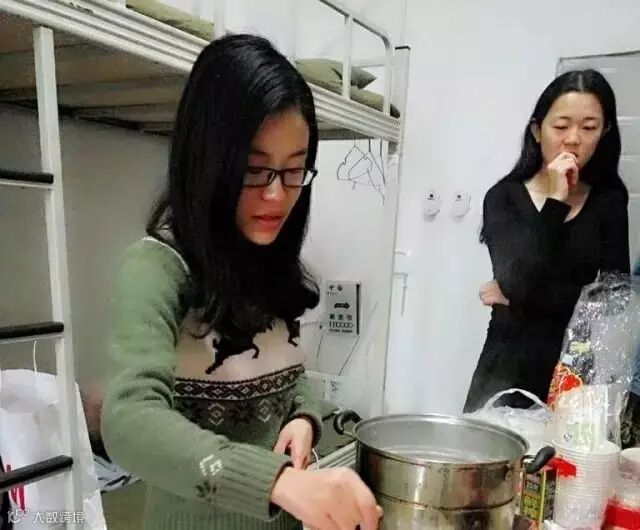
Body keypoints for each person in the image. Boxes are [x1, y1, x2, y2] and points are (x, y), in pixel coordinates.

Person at [101, 34, 382, 530]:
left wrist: (304, 418)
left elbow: (289, 374)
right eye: (254, 171)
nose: (277, 195)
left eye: (294, 171)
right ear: (208, 163)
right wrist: (276, 482)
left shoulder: (267, 260)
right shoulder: (156, 269)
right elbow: (129, 419)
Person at [464, 69, 630, 413]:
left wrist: (516, 299)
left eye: (589, 128)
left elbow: (614, 298)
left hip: (574, 369)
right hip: (506, 366)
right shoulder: (504, 197)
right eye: (561, 126)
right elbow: (521, 284)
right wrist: (556, 200)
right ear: (537, 130)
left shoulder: (609, 200)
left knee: (564, 449)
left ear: (604, 133)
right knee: (490, 445)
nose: (573, 139)